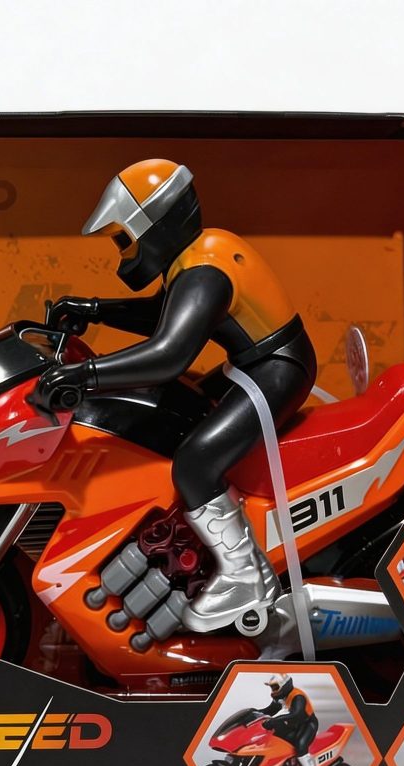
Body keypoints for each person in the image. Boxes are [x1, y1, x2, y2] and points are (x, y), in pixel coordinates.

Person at [31, 159, 317, 632]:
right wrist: (94, 309)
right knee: (177, 419)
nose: (124, 251)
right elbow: (166, 316)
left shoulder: (207, 268)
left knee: (195, 462)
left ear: (154, 223)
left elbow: (169, 353)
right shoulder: (197, 255)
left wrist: (84, 375)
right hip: (256, 365)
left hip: (276, 372)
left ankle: (246, 576)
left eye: (124, 238)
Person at [260, 674, 320, 766]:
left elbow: (296, 715)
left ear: (285, 685)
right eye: (272, 688)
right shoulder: (281, 697)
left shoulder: (298, 696)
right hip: (294, 724)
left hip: (307, 723)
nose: (273, 691)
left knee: (300, 744)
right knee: (276, 738)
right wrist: (254, 713)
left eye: (275, 687)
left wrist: (276, 720)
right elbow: (270, 710)